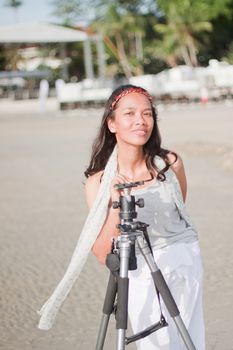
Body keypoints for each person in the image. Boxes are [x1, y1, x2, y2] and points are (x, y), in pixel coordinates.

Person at [38, 84, 205, 349]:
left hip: (186, 261)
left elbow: (178, 210)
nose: (141, 120)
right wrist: (116, 203)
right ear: (112, 123)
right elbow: (102, 252)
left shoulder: (169, 164)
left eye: (148, 114)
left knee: (191, 340)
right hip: (138, 269)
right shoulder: (98, 182)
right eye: (130, 113)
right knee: (155, 343)